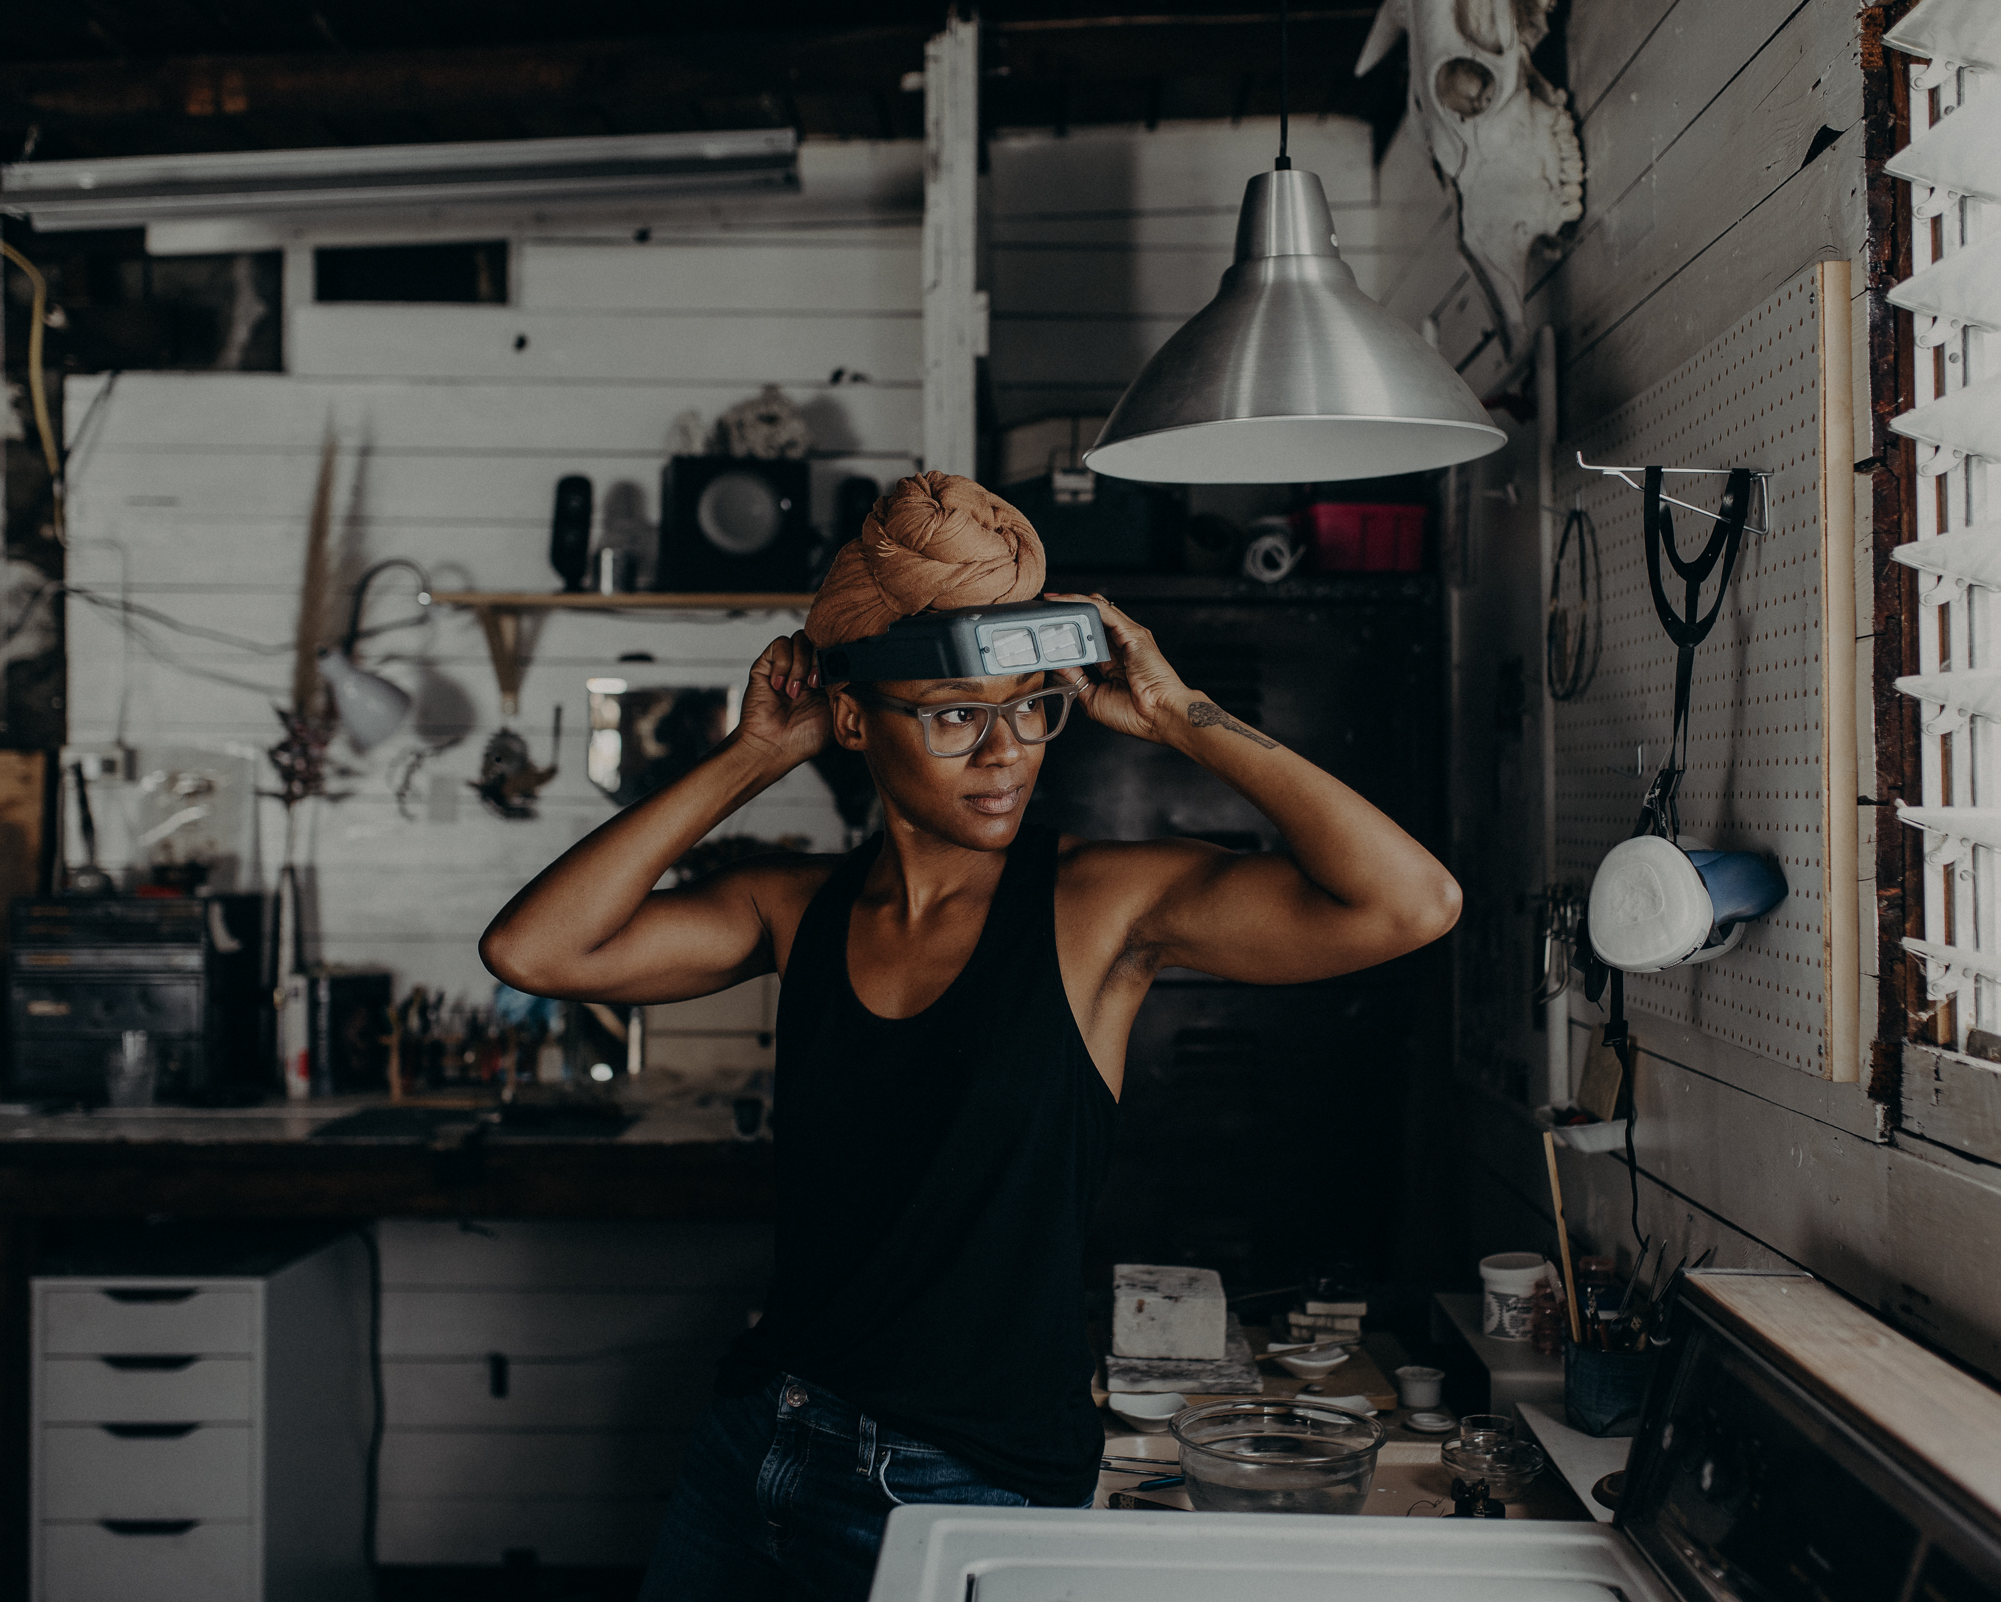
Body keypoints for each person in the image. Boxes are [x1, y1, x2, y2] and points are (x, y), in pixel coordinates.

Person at [480, 471, 1460, 1600]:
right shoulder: (791, 907)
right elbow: (534, 951)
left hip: (961, 1482)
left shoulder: (1099, 909)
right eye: (955, 714)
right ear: (855, 719)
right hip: (757, 1443)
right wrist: (753, 755)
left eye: (1032, 705)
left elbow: (1411, 904)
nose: (1006, 752)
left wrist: (1185, 716)